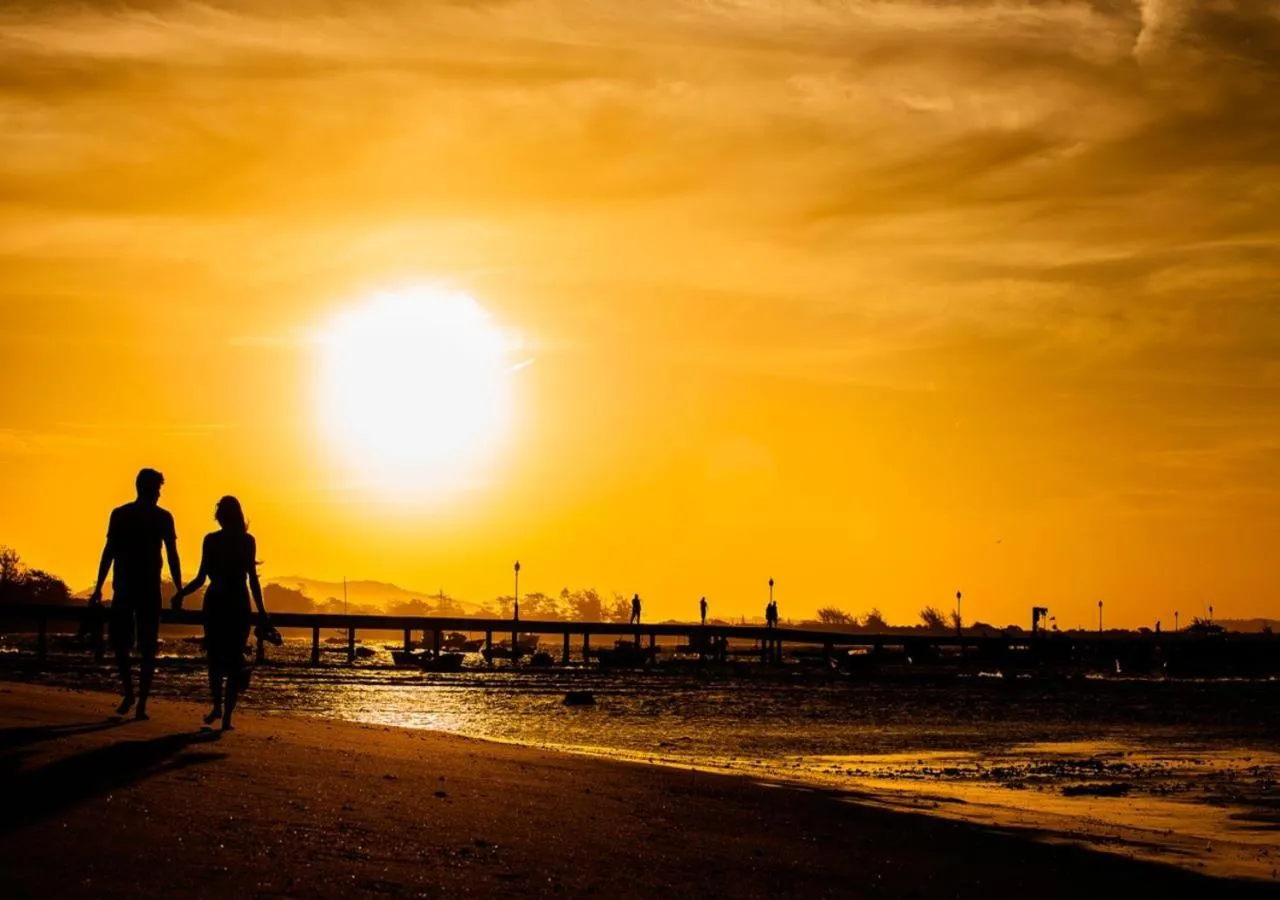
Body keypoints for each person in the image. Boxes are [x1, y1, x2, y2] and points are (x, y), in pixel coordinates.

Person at [171, 496, 273, 732]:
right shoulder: (247, 541)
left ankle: (217, 706)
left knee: (216, 658)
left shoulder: (211, 540)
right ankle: (226, 717)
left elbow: (200, 578)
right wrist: (262, 611)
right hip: (238, 602)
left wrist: (181, 594)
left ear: (220, 516)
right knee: (235, 659)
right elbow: (252, 580)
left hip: (216, 601)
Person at [90, 468, 181, 720]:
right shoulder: (162, 517)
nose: (160, 494)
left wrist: (99, 586)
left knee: (121, 644)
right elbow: (172, 555)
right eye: (159, 489)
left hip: (124, 587)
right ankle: (140, 701)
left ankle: (131, 693)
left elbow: (108, 551)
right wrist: (179, 587)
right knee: (147, 646)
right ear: (153, 490)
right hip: (147, 588)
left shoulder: (120, 514)